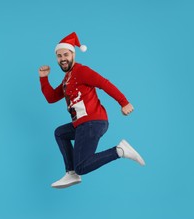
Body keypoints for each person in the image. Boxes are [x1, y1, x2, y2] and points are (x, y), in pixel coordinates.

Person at [38, 32, 145, 189]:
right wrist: (43, 78)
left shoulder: (81, 71)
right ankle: (71, 172)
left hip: (92, 122)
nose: (62, 59)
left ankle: (120, 151)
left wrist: (124, 102)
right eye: (59, 56)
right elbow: (52, 97)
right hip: (82, 124)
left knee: (82, 166)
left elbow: (104, 83)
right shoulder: (67, 78)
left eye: (65, 54)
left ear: (73, 54)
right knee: (60, 133)